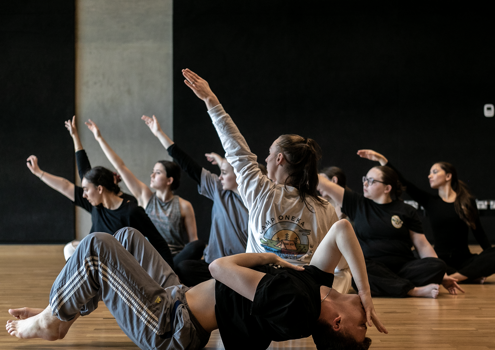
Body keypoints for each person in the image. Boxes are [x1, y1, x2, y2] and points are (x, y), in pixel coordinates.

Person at [6, 220, 388, 350]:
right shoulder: (314, 286)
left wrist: (265, 257)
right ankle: (59, 312)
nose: (367, 317)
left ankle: (52, 321)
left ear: (337, 323)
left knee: (96, 246)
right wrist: (367, 293)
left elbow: (219, 267)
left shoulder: (296, 306)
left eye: (362, 323)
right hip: (176, 296)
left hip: (169, 327)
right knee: (127, 237)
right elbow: (341, 229)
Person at [181, 69, 337, 270]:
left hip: (259, 290)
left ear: (279, 158)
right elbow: (339, 268)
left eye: (270, 153)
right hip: (303, 293)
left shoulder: (261, 192)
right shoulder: (325, 208)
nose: (266, 158)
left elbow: (236, 149)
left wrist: (210, 100)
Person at [317, 161, 464, 298]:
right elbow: (324, 183)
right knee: (359, 270)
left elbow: (422, 244)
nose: (366, 184)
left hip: (404, 266)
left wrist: (442, 275)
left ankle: (387, 285)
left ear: (387, 188)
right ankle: (413, 290)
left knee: (438, 265)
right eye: (365, 179)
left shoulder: (406, 210)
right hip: (373, 265)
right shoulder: (358, 204)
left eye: (372, 181)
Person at [358, 149, 495, 283]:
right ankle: (468, 275)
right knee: (414, 256)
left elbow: (480, 234)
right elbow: (405, 184)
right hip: (440, 259)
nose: (429, 176)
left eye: (435, 172)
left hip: (464, 259)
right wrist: (383, 161)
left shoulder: (467, 202)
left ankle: (456, 277)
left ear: (448, 176)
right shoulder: (430, 202)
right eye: (430, 173)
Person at [140, 114, 249, 286]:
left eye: (224, 173)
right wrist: (159, 133)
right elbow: (188, 164)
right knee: (184, 268)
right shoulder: (219, 189)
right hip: (213, 266)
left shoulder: (256, 201)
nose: (219, 177)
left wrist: (222, 161)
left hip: (240, 268)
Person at [82, 118, 205, 266]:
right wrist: (99, 138)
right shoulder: (146, 197)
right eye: (152, 172)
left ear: (169, 180)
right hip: (151, 257)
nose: (152, 175)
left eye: (158, 173)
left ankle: (174, 272)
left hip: (175, 259)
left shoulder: (184, 205)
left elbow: (193, 241)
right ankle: (171, 274)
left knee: (197, 246)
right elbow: (120, 166)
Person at [26, 155, 173, 266]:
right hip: (98, 265)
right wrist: (39, 172)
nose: (84, 195)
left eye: (86, 190)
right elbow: (66, 185)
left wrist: (171, 277)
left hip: (121, 268)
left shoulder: (131, 211)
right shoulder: (96, 206)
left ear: (100, 189)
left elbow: (158, 242)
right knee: (70, 248)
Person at [63, 116, 137, 259]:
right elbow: (84, 172)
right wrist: (75, 137)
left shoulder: (129, 205)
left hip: (116, 256)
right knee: (70, 249)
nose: (85, 194)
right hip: (96, 251)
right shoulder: (98, 202)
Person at [319, 167, 352, 294]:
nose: (318, 186)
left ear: (334, 180)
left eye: (321, 181)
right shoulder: (320, 205)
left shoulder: (350, 206)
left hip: (346, 256)